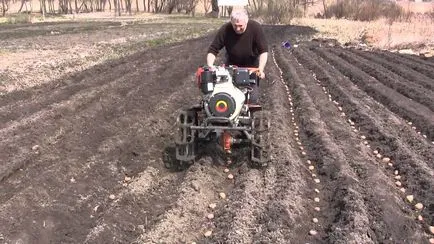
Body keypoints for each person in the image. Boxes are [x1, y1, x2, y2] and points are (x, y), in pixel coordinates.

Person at [206, 8, 269, 80]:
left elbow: (263, 51)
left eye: (240, 26)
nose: (238, 29)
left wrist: (260, 69)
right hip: (231, 68)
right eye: (235, 25)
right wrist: (210, 65)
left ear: (246, 22)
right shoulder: (226, 29)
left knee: (251, 90)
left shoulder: (255, 28)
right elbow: (213, 49)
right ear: (231, 22)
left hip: (251, 68)